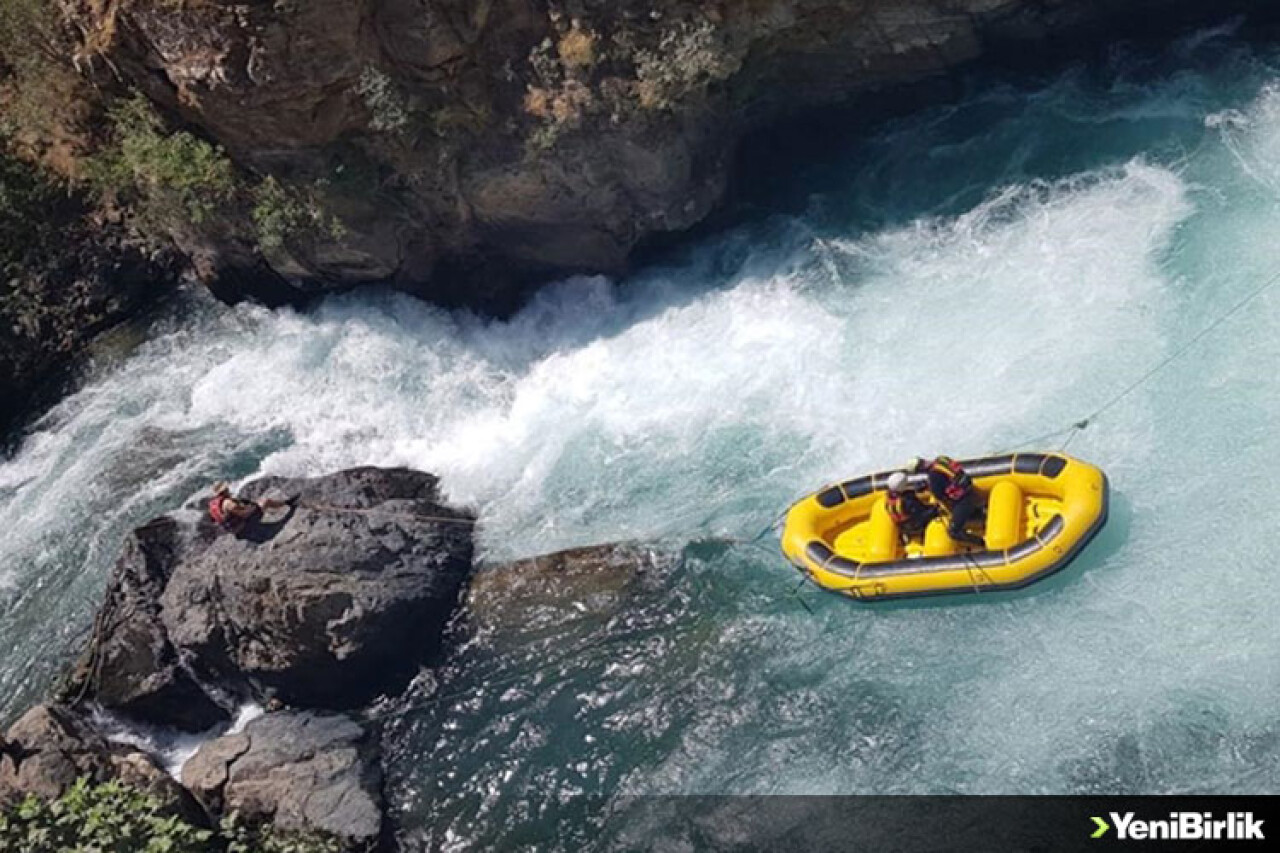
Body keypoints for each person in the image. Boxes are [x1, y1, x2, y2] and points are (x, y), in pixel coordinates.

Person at [908, 455, 986, 548]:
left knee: (953, 532)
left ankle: (982, 544)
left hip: (962, 501)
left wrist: (927, 487)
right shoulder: (941, 459)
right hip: (970, 490)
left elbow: (940, 495)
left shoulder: (933, 477)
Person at [208, 482, 292, 536]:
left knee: (256, 503)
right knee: (265, 501)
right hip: (243, 528)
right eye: (227, 489)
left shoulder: (214, 504)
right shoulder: (228, 503)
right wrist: (255, 507)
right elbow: (245, 514)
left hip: (232, 529)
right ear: (225, 490)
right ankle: (286, 503)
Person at [884, 471, 938, 538]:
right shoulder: (907, 500)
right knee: (936, 510)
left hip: (903, 527)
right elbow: (921, 511)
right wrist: (934, 508)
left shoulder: (889, 498)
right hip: (915, 526)